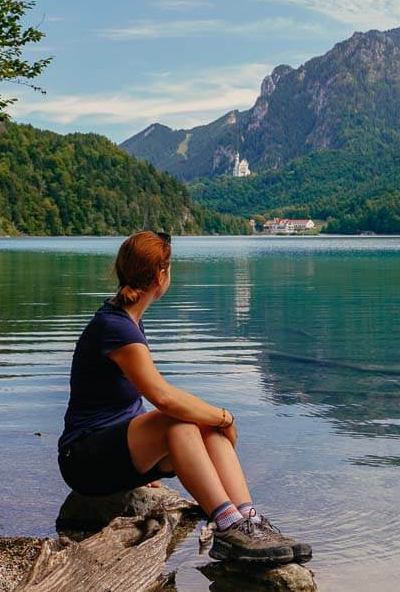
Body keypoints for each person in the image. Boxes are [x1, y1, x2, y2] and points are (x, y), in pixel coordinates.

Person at [57, 231, 312, 563]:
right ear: (161, 276)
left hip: (115, 454)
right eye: (170, 269)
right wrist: (225, 416)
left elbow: (133, 402)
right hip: (83, 459)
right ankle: (226, 524)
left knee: (206, 428)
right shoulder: (116, 327)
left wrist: (146, 462)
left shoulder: (127, 319)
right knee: (180, 423)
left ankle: (247, 519)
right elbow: (162, 397)